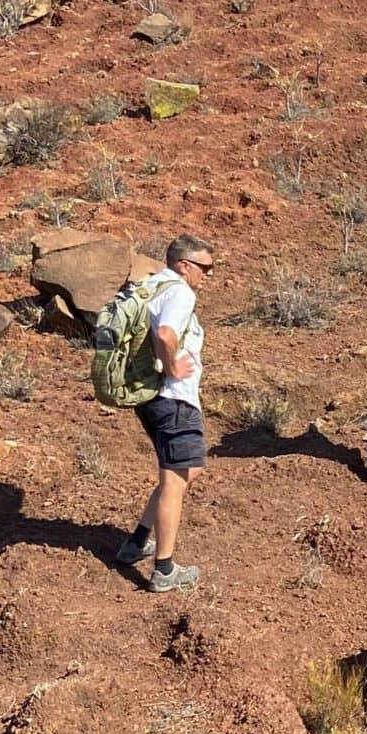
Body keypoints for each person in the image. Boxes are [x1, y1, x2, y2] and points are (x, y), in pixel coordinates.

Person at [116, 234, 215, 591]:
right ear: (184, 265)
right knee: (175, 478)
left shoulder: (150, 286)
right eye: (204, 267)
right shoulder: (179, 291)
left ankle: (138, 541)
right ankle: (164, 570)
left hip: (150, 396)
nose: (207, 275)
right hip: (172, 398)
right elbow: (165, 332)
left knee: (188, 471)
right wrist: (172, 365)